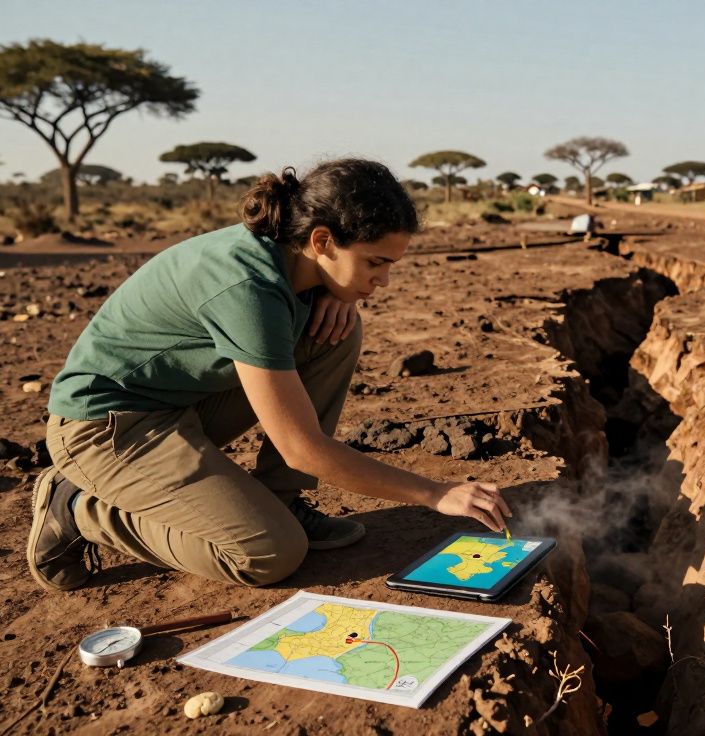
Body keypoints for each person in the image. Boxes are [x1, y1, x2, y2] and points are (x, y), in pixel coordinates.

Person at [27, 158, 512, 592]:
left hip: (178, 407)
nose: (383, 281)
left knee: (338, 329)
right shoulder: (247, 288)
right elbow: (302, 448)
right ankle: (76, 507)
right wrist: (435, 493)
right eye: (374, 263)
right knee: (268, 555)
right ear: (321, 240)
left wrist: (335, 292)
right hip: (103, 428)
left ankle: (283, 497)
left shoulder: (291, 260)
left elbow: (307, 301)